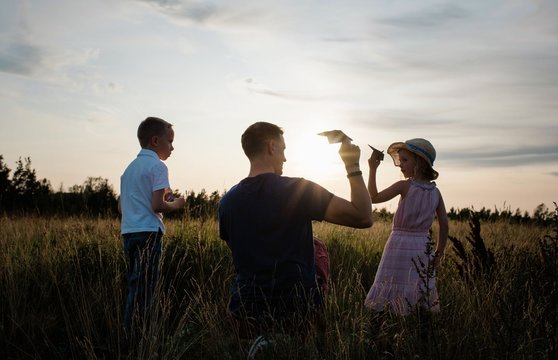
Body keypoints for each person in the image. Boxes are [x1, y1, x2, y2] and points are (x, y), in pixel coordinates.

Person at [218, 122, 372, 337]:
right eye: (283, 150)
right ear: (272, 147)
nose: (285, 158)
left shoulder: (227, 202)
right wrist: (352, 165)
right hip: (297, 315)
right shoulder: (298, 190)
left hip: (244, 314)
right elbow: (363, 216)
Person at [364, 138, 448, 315]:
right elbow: (444, 225)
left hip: (399, 246)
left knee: (390, 286)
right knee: (418, 292)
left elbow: (374, 197)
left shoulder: (404, 186)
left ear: (419, 162)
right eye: (400, 160)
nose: (400, 165)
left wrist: (372, 169)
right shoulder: (435, 192)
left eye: (405, 160)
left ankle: (386, 327)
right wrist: (438, 253)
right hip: (423, 248)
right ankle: (416, 330)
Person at [119, 116, 186, 332]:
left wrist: (165, 198)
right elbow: (157, 205)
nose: (173, 147)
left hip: (129, 233)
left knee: (135, 286)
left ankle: (130, 335)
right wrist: (176, 204)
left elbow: (122, 206)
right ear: (155, 141)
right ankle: (139, 338)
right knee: (146, 290)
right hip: (149, 233)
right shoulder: (158, 166)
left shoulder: (129, 169)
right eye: (170, 141)